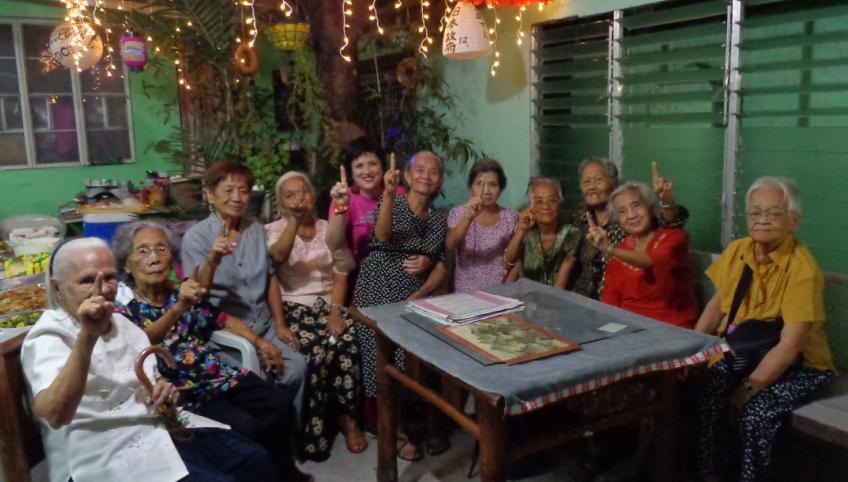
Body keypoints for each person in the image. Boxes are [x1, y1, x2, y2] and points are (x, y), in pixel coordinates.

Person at [21, 238, 275, 482]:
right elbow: (54, 415)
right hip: (99, 448)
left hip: (155, 428)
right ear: (57, 287)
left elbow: (149, 380)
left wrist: (162, 390)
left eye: (109, 277)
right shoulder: (50, 334)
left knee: (255, 460)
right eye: (88, 280)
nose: (103, 289)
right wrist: (87, 337)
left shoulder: (123, 323)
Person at [111, 221, 307, 480]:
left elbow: (222, 318)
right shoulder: (124, 309)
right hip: (182, 391)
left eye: (161, 248)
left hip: (216, 375)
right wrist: (178, 308)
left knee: (280, 404)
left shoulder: (180, 290)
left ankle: (283, 472)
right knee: (244, 426)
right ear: (126, 265)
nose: (155, 258)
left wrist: (260, 342)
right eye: (143, 251)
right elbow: (141, 342)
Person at [692, 177, 836, 482]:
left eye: (773, 213)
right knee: (708, 387)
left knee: (755, 414)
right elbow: (717, 306)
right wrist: (694, 354)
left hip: (800, 366)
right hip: (746, 353)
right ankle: (710, 474)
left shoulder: (802, 268)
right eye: (755, 212)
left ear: (793, 220)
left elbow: (791, 346)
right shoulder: (738, 250)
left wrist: (749, 387)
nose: (762, 220)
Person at [180, 162, 307, 417]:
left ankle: (289, 430)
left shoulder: (256, 230)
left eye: (243, 191)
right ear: (210, 195)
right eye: (228, 190)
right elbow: (197, 296)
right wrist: (213, 259)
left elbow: (271, 277)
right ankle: (265, 432)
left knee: (297, 367)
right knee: (258, 379)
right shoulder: (196, 238)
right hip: (227, 332)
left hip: (265, 325)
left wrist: (280, 325)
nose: (237, 198)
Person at [353, 151, 448, 461]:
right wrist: (389, 194)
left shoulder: (438, 219)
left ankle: (408, 421)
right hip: (377, 285)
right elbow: (381, 236)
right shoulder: (392, 200)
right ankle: (394, 432)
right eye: (419, 170)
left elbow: (438, 259)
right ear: (408, 176)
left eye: (433, 171)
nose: (425, 175)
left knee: (414, 358)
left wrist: (425, 271)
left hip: (412, 294)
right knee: (382, 357)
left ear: (440, 181)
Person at [265, 171, 367, 461]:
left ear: (314, 195)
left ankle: (349, 419)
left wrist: (336, 312)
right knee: (315, 351)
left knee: (348, 341)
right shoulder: (271, 230)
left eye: (304, 191)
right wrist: (294, 221)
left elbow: (341, 270)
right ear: (281, 203)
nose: (300, 198)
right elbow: (277, 260)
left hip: (330, 303)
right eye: (290, 195)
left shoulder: (327, 228)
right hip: (294, 306)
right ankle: (314, 428)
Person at [569, 158, 689, 299]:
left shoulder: (632, 220)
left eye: (598, 180)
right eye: (586, 182)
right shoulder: (580, 216)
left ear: (614, 183)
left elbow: (670, 222)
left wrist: (666, 201)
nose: (592, 187)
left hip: (626, 297)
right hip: (581, 297)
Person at [587, 182, 698, 328]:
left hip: (671, 328)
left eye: (636, 206)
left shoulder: (675, 237)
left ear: (650, 207)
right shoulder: (619, 252)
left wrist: (609, 248)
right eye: (622, 211)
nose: (631, 215)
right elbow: (610, 306)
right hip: (629, 329)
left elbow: (651, 261)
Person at [326, 136, 427, 289]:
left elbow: (418, 235)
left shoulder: (400, 193)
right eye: (359, 166)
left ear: (382, 167)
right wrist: (341, 206)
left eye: (372, 164)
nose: (367, 171)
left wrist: (425, 258)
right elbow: (333, 244)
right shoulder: (344, 198)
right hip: (360, 279)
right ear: (351, 171)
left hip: (400, 275)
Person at [446, 158, 518, 292]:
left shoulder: (510, 217)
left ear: (500, 189)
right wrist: (469, 217)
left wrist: (507, 292)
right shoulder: (459, 213)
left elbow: (517, 260)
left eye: (493, 184)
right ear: (471, 187)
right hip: (464, 293)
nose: (486, 191)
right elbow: (451, 244)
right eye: (479, 184)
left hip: (499, 292)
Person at [504, 178, 580, 288]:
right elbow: (508, 265)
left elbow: (561, 284)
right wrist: (522, 230)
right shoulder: (526, 233)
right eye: (539, 201)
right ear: (530, 205)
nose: (545, 206)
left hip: (558, 296)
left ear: (560, 203)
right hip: (525, 293)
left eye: (552, 200)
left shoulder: (571, 233)